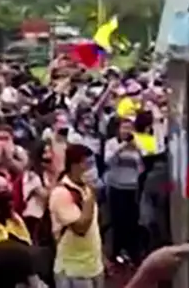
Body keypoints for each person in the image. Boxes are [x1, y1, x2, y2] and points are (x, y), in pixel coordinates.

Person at [49, 143, 104, 288]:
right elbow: (81, 228)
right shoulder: (61, 193)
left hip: (93, 265)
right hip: (73, 270)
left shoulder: (85, 188)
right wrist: (91, 197)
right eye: (88, 163)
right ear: (75, 165)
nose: (91, 168)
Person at [104, 117, 143, 262]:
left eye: (129, 128)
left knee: (132, 222)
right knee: (117, 221)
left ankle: (133, 253)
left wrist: (137, 148)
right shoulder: (111, 144)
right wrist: (122, 147)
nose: (126, 131)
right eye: (124, 127)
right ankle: (116, 252)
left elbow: (142, 162)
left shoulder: (136, 144)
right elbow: (108, 161)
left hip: (132, 187)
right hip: (116, 186)